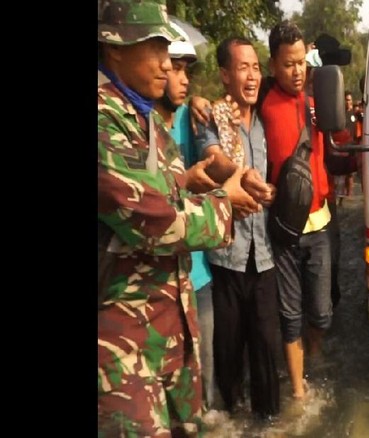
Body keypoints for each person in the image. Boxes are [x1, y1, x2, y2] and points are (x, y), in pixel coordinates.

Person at [97, 0, 259, 435]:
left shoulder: (145, 118)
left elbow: (161, 192)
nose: (167, 63)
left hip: (171, 331)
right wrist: (226, 200)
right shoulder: (103, 118)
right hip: (121, 348)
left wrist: (195, 181)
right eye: (156, 47)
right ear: (114, 48)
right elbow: (156, 222)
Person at [192, 37, 282, 419]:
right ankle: (229, 421)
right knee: (227, 353)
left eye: (255, 67)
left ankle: (271, 422)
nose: (251, 75)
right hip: (227, 255)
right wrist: (241, 175)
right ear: (225, 75)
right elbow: (212, 158)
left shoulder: (262, 121)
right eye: (242, 68)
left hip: (263, 256)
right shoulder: (212, 116)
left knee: (266, 349)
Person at [151, 25, 226, 420]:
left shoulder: (192, 117)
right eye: (173, 68)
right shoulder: (130, 126)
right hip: (157, 288)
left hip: (198, 277)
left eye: (186, 71)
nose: (180, 78)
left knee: (203, 382)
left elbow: (220, 164)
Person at [260, 20, 336, 401]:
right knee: (290, 315)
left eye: (301, 62)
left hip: (319, 224)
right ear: (273, 64)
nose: (297, 70)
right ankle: (299, 392)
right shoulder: (261, 105)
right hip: (283, 230)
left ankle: (314, 354)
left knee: (321, 313)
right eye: (288, 63)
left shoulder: (316, 105)